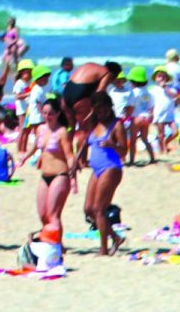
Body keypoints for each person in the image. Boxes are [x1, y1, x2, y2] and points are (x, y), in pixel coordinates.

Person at [20, 97, 75, 237]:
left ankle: (56, 245)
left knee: (53, 214)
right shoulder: (40, 129)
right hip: (44, 176)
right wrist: (25, 157)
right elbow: (35, 147)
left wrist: (73, 178)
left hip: (60, 175)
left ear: (57, 114)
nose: (46, 117)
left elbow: (69, 156)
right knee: (43, 214)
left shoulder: (62, 132)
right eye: (44, 113)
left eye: (50, 114)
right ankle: (53, 241)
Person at [80, 99, 126, 254]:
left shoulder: (117, 125)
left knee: (99, 209)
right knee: (88, 209)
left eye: (104, 109)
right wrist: (75, 164)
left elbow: (124, 151)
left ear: (110, 108)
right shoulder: (94, 123)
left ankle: (103, 248)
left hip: (111, 168)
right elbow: (84, 143)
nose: (102, 113)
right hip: (96, 169)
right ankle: (115, 237)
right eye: (98, 110)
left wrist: (112, 144)